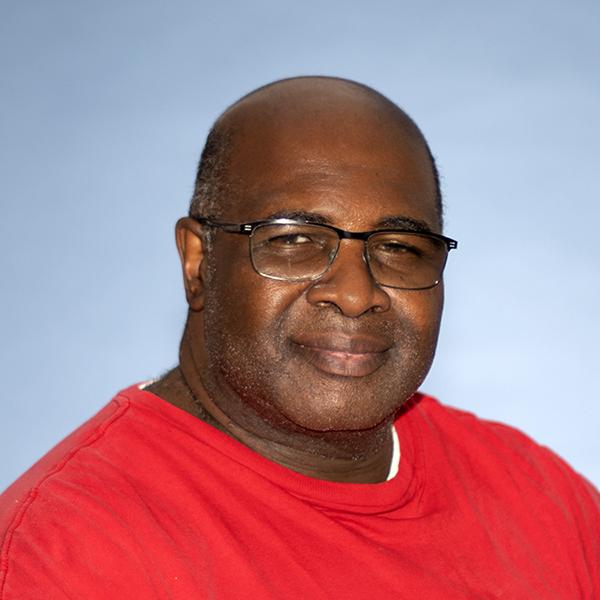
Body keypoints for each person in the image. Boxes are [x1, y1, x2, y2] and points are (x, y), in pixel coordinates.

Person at [0, 76, 598, 599]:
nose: (356, 293)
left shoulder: (543, 503)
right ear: (198, 262)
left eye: (398, 247)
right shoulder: (61, 555)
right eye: (293, 240)